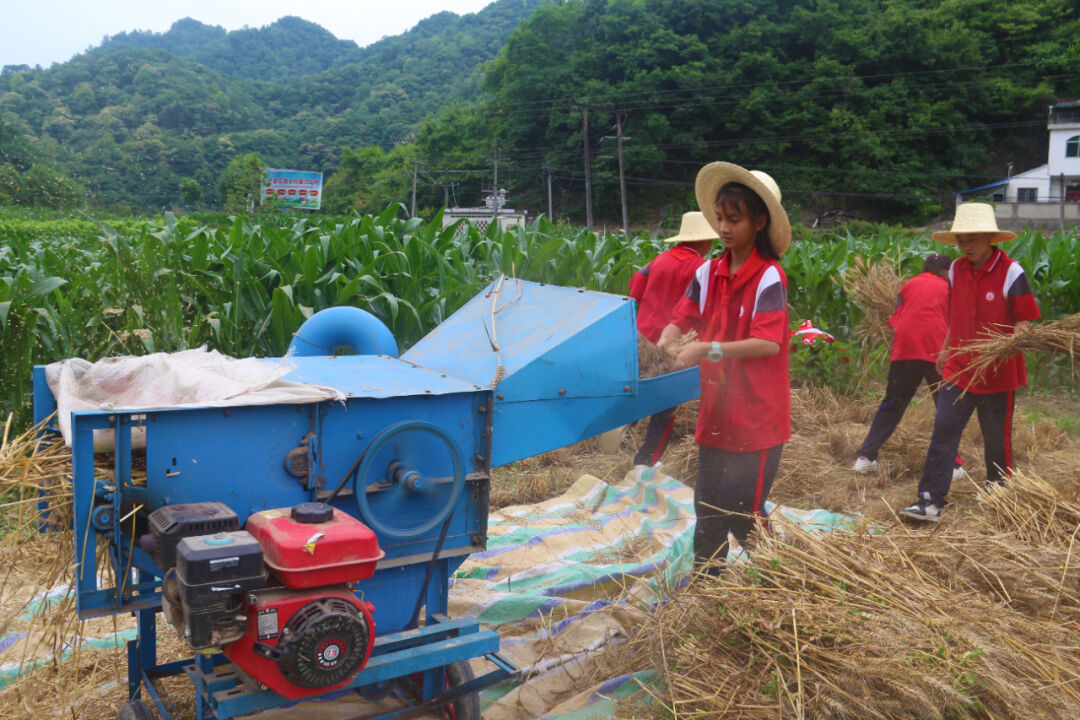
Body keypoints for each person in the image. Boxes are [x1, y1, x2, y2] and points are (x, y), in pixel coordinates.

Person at [657, 162, 791, 570]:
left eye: (734, 219)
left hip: (758, 416)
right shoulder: (707, 270)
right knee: (707, 504)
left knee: (740, 507)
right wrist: (665, 340)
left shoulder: (769, 277)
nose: (724, 228)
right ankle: (708, 580)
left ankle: (781, 575)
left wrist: (705, 351)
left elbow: (767, 343)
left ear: (759, 222)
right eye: (719, 218)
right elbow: (683, 316)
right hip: (718, 410)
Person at [900, 203, 1040, 523]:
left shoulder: (1011, 272)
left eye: (973, 239)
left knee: (996, 441)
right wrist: (946, 350)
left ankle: (1000, 499)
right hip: (959, 369)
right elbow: (955, 316)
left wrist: (1009, 342)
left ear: (990, 238)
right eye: (961, 239)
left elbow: (1025, 323)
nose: (966, 246)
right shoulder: (956, 270)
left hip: (997, 372)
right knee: (943, 431)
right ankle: (929, 501)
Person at [853, 253, 964, 479]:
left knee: (893, 404)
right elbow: (957, 322)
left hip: (905, 350)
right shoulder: (948, 289)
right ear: (945, 272)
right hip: (936, 351)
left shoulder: (909, 285)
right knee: (945, 408)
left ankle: (865, 458)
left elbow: (895, 321)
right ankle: (952, 466)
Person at [628, 211, 717, 466]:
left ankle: (621, 432)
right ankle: (647, 460)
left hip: (642, 340)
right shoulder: (703, 269)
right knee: (667, 405)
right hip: (673, 345)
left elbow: (634, 290)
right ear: (703, 242)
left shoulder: (657, 261)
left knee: (635, 389)